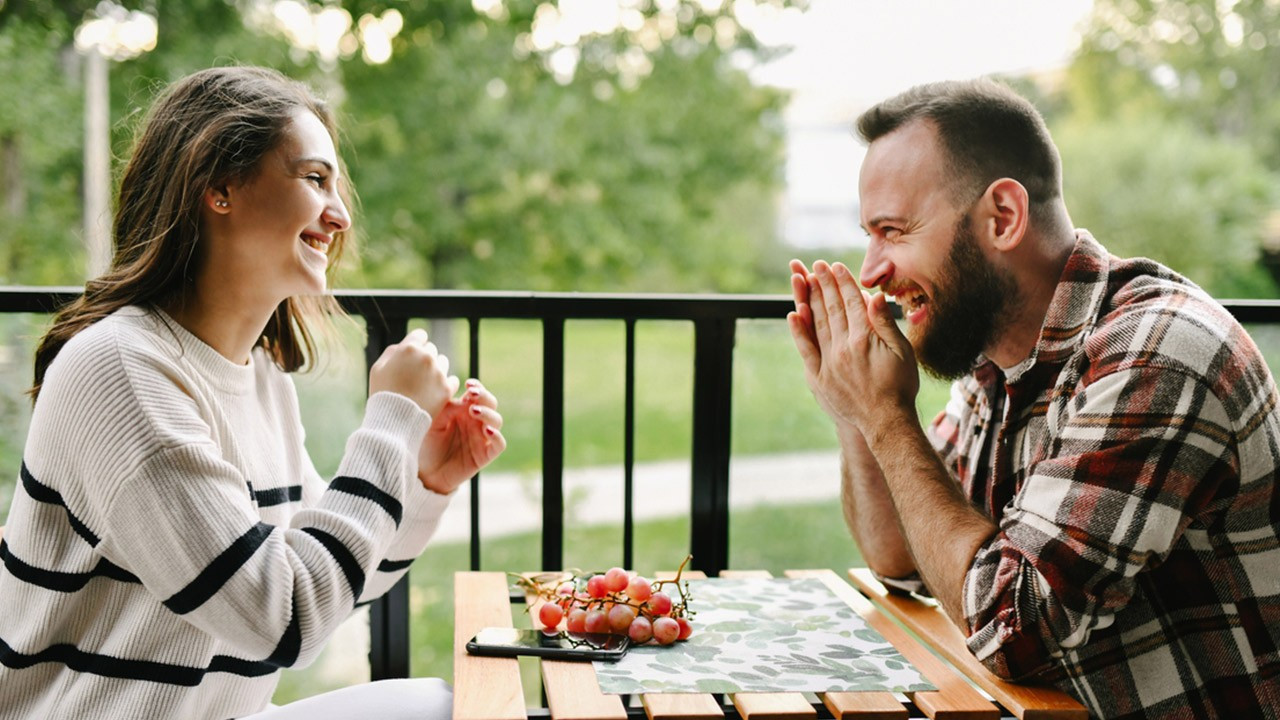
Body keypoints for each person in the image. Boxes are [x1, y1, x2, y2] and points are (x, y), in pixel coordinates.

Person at [0, 66, 505, 720]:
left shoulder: (258, 371)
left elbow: (329, 587)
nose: (341, 214)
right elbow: (285, 619)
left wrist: (423, 483)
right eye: (315, 178)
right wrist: (390, 420)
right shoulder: (119, 370)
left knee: (446, 707)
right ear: (219, 187)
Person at [788, 78, 1280, 719]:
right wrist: (855, 409)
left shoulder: (1155, 352)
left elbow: (1010, 631)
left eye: (893, 230)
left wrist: (886, 417)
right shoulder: (998, 363)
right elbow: (903, 555)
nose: (872, 269)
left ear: (1003, 217)